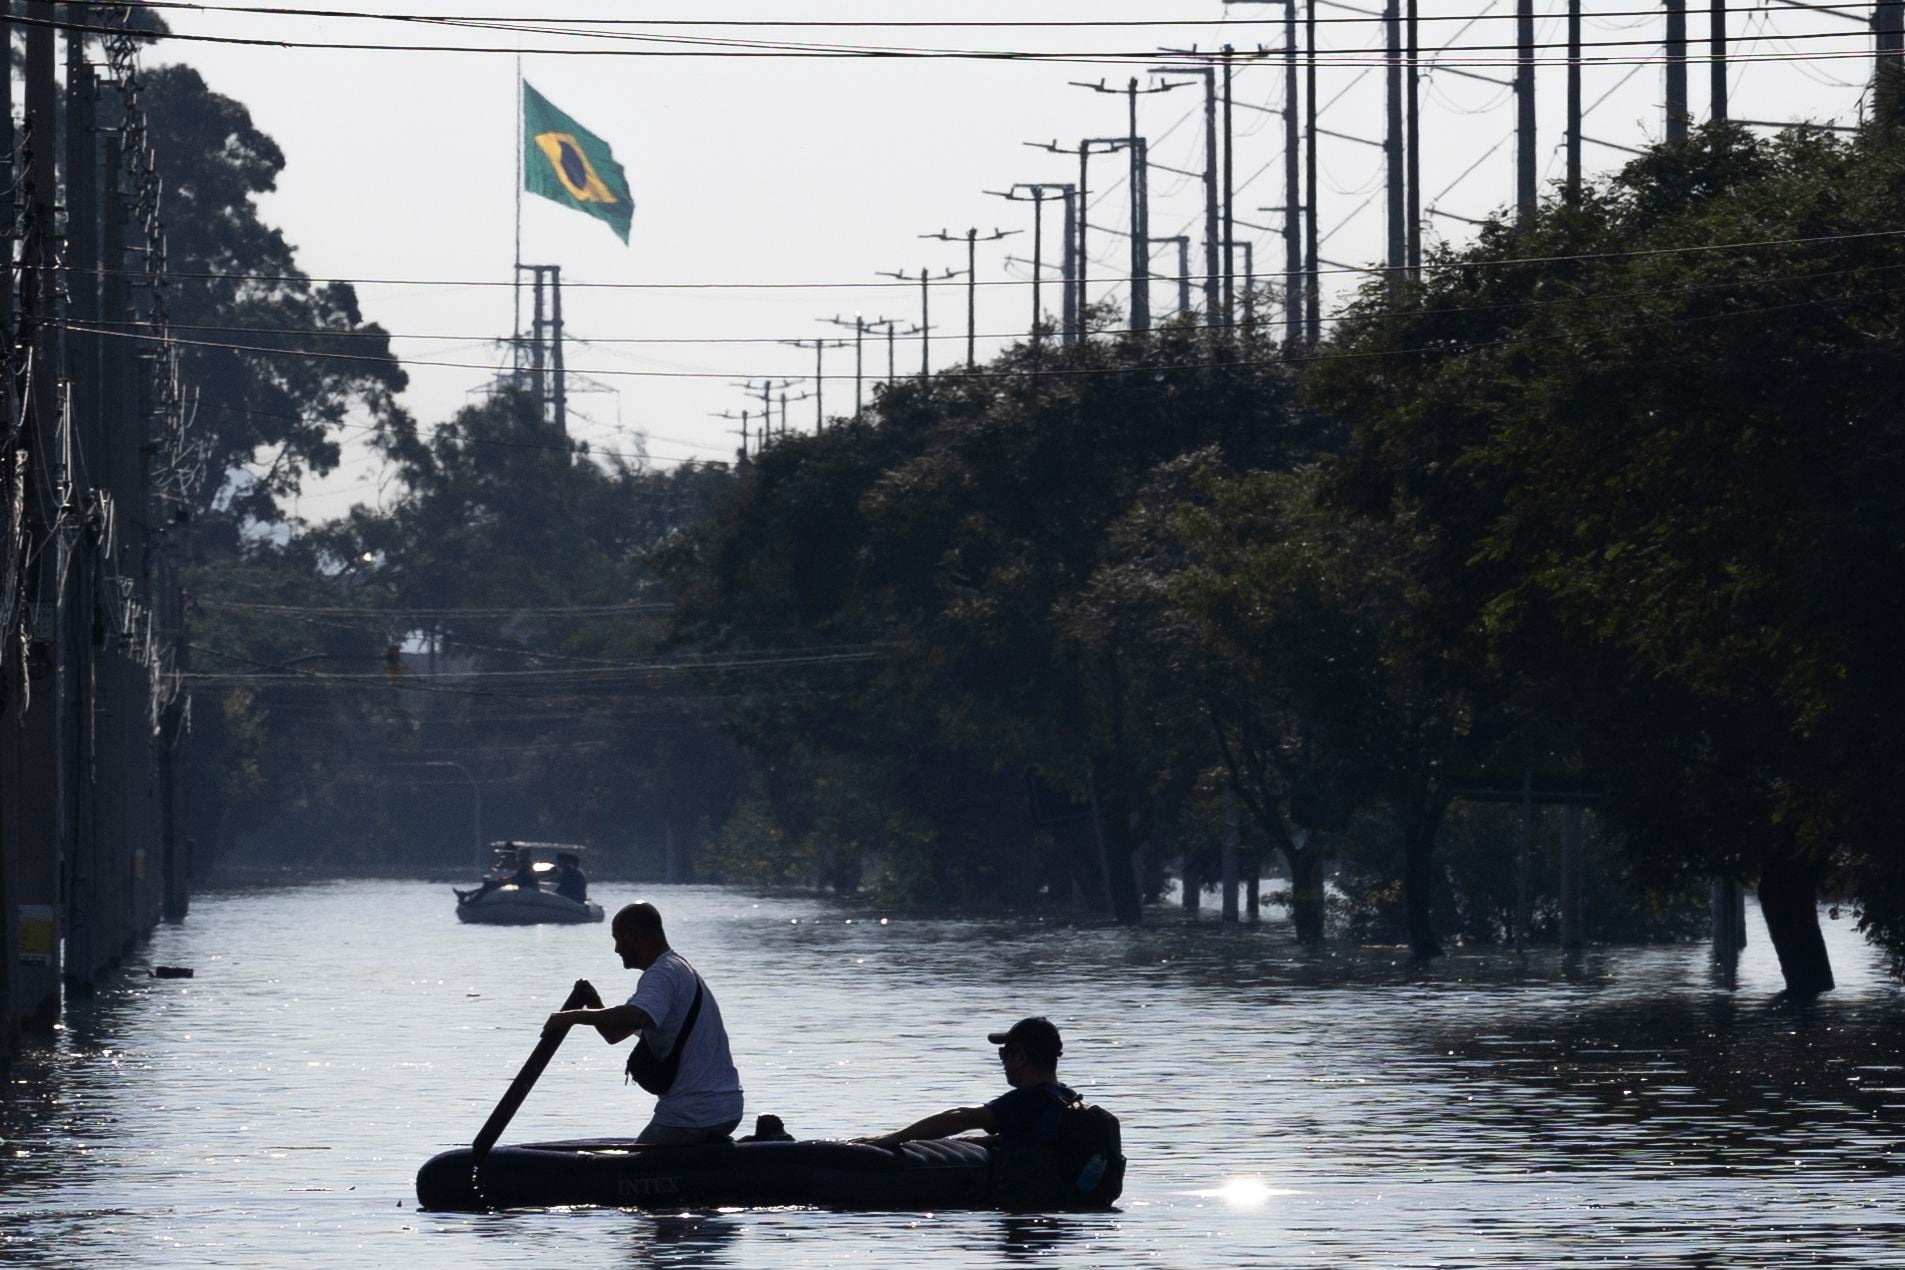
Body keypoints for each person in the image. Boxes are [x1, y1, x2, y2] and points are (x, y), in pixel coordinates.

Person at [546, 902, 744, 1145]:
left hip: (692, 1113)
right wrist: (593, 1002)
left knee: (632, 1163)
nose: (617, 949)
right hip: (725, 1109)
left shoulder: (661, 974)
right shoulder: (677, 970)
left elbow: (639, 1016)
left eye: (618, 939)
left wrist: (572, 1017)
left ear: (634, 936)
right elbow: (614, 1033)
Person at [860, 1016, 1073, 1154]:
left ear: (1020, 1057)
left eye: (1004, 1053)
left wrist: (893, 1138)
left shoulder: (1027, 1100)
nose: (1003, 1062)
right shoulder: (1067, 1098)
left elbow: (962, 1117)